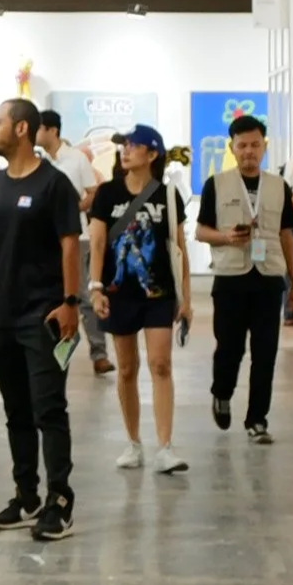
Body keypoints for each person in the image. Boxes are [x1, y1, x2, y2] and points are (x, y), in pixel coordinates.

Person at [0, 99, 86, 541]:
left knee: (48, 408)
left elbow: (71, 245)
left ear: (22, 129)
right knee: (16, 410)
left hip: (45, 314)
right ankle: (27, 496)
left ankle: (60, 500)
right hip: (3, 315)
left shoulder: (55, 184)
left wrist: (71, 302)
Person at [85, 124, 193, 475]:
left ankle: (165, 445)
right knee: (127, 367)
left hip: (158, 293)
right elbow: (98, 244)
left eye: (133, 145)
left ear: (152, 154)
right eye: (123, 145)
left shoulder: (167, 195)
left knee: (161, 364)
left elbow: (179, 249)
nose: (125, 151)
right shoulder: (106, 194)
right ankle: (133, 442)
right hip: (118, 293)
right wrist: (96, 287)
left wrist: (186, 298)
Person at [196, 112, 293, 446]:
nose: (249, 151)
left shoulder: (279, 186)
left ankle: (257, 418)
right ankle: (221, 393)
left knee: (265, 351)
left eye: (255, 145)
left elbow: (286, 235)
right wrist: (226, 237)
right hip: (230, 278)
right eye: (243, 145)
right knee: (230, 347)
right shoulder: (216, 184)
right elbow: (200, 231)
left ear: (264, 146)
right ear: (232, 147)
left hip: (269, 277)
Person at [36, 109, 111, 376]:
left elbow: (93, 192)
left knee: (81, 295)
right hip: (43, 239)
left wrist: (73, 209)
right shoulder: (37, 159)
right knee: (48, 295)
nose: (36, 133)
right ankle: (53, 352)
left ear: (52, 130)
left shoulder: (77, 158)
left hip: (76, 237)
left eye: (39, 128)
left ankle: (99, 353)